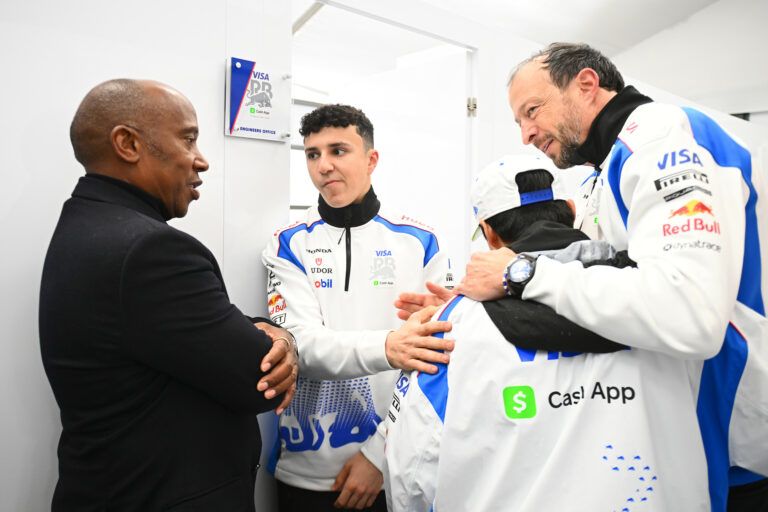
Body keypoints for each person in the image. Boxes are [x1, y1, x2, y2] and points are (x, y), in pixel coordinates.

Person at [450, 43, 768, 511]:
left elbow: (689, 313)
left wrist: (522, 273)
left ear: (586, 84)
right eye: (518, 121)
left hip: (731, 433)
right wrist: (462, 303)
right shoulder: (605, 169)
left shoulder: (663, 138)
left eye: (531, 111)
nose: (526, 134)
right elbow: (604, 275)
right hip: (684, 427)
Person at [384, 155, 709, 511]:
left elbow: (411, 469)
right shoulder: (663, 303)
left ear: (490, 234)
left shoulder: (454, 327)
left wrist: (463, 313)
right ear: (570, 209)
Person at [39, 79, 298, 512]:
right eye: (188, 139)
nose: (202, 160)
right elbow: (257, 382)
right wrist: (281, 337)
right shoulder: (150, 250)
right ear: (127, 144)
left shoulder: (86, 223)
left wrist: (267, 330)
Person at [262, 104, 453, 511]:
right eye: (312, 154)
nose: (323, 166)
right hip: (304, 471)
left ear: (371, 159)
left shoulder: (421, 241)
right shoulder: (288, 243)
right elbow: (301, 348)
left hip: (395, 465)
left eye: (338, 150)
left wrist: (379, 453)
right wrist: (390, 346)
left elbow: (437, 361)